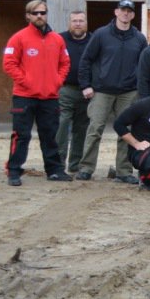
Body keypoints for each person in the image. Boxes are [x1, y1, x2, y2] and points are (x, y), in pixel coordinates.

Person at [76, 0, 147, 183]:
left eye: (129, 11)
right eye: (123, 10)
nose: (126, 13)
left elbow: (144, 65)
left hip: (129, 92)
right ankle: (86, 168)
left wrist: (141, 89)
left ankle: (124, 171)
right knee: (95, 128)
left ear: (133, 14)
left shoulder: (139, 38)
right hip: (102, 91)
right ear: (116, 12)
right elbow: (86, 60)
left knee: (126, 131)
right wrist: (86, 85)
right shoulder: (101, 35)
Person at [2, 0, 72, 186]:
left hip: (49, 97)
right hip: (24, 97)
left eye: (43, 12)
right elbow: (9, 64)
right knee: (21, 135)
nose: (39, 16)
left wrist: (57, 81)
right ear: (28, 16)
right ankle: (14, 171)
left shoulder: (57, 39)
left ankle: (54, 171)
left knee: (50, 135)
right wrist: (27, 82)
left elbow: (65, 63)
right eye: (35, 13)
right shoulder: (18, 38)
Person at [56, 10, 90, 176]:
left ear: (86, 23)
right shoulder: (59, 39)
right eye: (74, 20)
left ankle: (75, 164)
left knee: (81, 128)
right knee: (62, 124)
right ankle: (58, 163)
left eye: (81, 21)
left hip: (87, 91)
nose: (78, 23)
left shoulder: (93, 40)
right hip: (65, 89)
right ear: (69, 23)